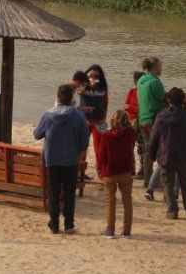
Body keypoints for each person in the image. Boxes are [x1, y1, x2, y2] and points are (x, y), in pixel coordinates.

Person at [33, 84, 90, 234]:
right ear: (72, 98)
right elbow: (84, 141)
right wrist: (79, 152)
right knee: (69, 193)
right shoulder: (79, 116)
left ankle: (54, 224)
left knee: (53, 193)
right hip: (71, 160)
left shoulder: (48, 114)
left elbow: (37, 134)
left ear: (57, 97)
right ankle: (69, 224)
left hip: (52, 160)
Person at [147, 87, 186, 220]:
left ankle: (172, 211)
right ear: (183, 101)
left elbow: (154, 137)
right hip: (184, 155)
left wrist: (152, 155)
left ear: (169, 100)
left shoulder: (161, 116)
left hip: (165, 155)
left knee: (168, 183)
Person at [92, 109, 136, 238]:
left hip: (110, 172)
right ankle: (127, 230)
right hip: (126, 171)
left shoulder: (107, 136)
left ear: (113, 120)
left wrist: (100, 169)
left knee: (110, 202)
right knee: (127, 201)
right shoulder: (130, 133)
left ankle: (110, 230)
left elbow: (101, 156)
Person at [137, 57, 166, 187]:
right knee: (161, 149)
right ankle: (158, 180)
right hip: (154, 119)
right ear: (155, 68)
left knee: (148, 150)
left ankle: (147, 180)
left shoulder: (141, 80)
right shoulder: (155, 81)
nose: (161, 69)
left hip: (143, 119)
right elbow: (164, 100)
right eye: (161, 66)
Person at [125, 71, 145, 178]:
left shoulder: (146, 92)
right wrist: (138, 110)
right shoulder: (132, 91)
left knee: (141, 147)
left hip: (142, 123)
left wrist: (132, 109)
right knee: (129, 147)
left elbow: (129, 107)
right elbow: (125, 106)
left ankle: (142, 171)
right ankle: (131, 170)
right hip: (131, 122)